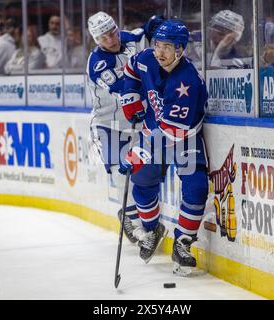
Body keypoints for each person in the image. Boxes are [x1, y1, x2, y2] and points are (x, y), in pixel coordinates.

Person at [119, 20, 209, 275]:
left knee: (196, 187)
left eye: (167, 47)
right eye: (157, 44)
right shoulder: (147, 58)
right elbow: (131, 68)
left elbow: (169, 133)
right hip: (153, 132)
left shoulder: (187, 81)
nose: (160, 51)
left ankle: (183, 242)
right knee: (142, 182)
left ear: (180, 49)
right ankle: (151, 229)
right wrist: (130, 97)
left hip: (184, 138)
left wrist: (137, 153)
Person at [86, 11, 164, 245]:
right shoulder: (98, 64)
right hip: (107, 125)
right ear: (96, 40)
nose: (111, 38)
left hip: (137, 123)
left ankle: (143, 221)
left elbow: (149, 30)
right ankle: (137, 228)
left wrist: (157, 23)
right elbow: (123, 88)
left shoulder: (132, 38)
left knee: (141, 172)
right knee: (122, 177)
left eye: (112, 31)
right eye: (104, 37)